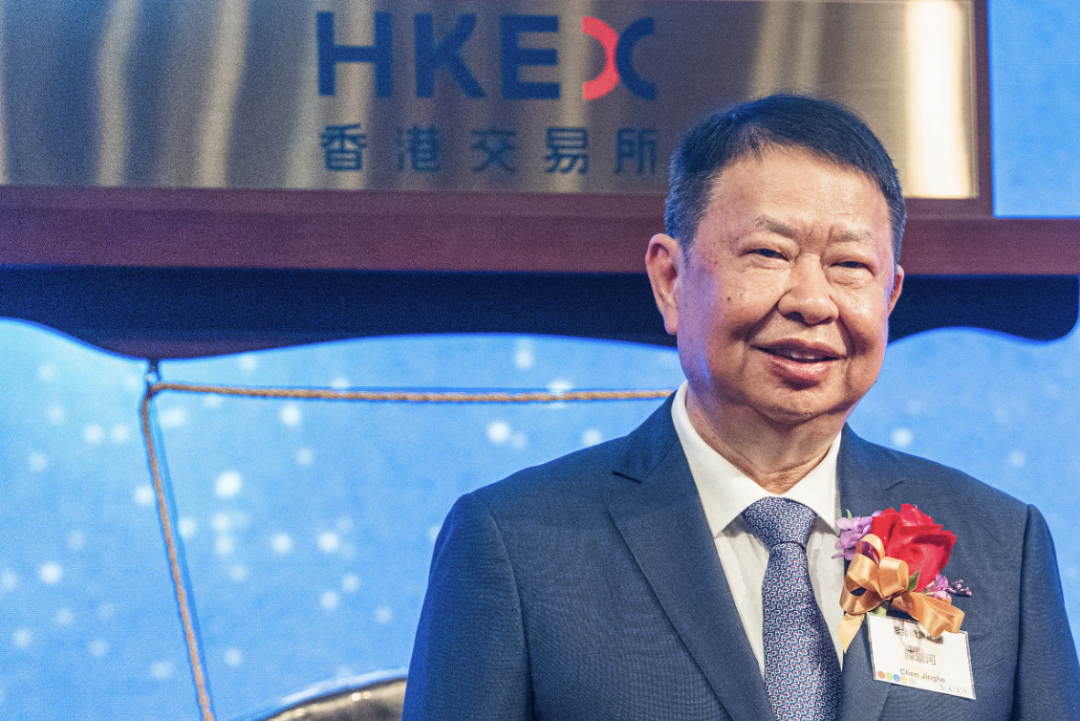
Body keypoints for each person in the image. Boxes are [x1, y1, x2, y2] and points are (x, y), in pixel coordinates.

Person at [401, 95, 1080, 720]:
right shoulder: (515, 545)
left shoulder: (1000, 546)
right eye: (768, 252)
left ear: (890, 295)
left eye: (850, 265)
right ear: (671, 279)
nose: (812, 300)